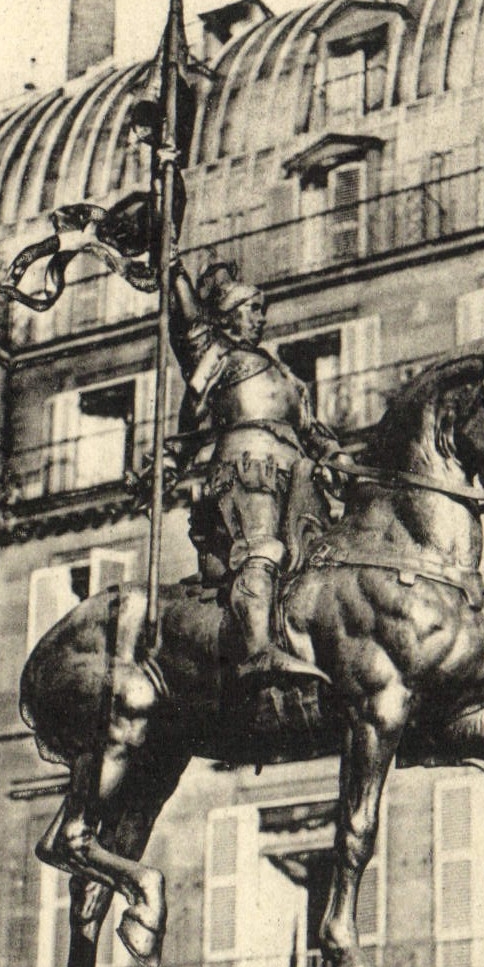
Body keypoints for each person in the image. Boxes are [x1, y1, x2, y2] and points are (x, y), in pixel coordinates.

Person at [170, 259, 340, 684]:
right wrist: (173, 269)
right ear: (229, 316)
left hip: (296, 475)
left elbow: (310, 427)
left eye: (262, 310)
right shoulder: (217, 356)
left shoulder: (283, 373)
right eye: (253, 309)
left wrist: (336, 455)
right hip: (245, 470)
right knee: (261, 551)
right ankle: (258, 652)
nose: (261, 318)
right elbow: (190, 327)